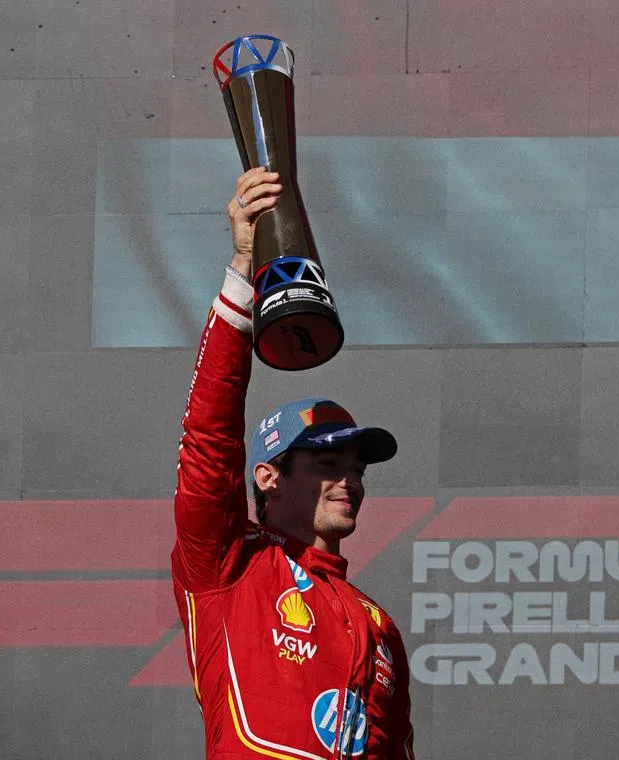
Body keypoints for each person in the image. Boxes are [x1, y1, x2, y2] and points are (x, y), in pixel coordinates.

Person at [171, 167, 417, 759]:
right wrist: (240, 275)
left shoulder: (378, 627)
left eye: (358, 466)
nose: (351, 479)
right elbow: (210, 442)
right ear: (269, 475)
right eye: (329, 461)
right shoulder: (229, 566)